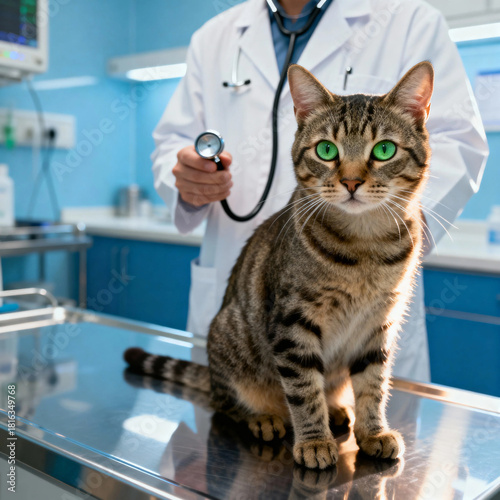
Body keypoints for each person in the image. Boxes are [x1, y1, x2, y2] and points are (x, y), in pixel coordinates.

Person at [152, 0, 488, 382]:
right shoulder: (214, 36)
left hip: (370, 289)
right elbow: (170, 143)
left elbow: (461, 143)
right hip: (245, 302)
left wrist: (387, 232)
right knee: (236, 419)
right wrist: (183, 176)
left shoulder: (410, 20)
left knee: (367, 429)